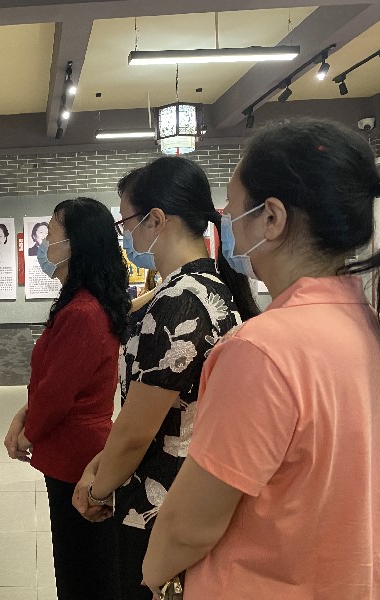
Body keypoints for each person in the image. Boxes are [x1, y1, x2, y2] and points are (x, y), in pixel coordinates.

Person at [143, 119, 380, 599]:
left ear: (271, 218)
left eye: (232, 203)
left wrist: (153, 574)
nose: (225, 217)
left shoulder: (262, 351)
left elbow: (190, 525)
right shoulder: (364, 323)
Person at [71, 156, 260, 600]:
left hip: (159, 503)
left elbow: (138, 431)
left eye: (128, 222)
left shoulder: (179, 302)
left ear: (156, 219)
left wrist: (96, 489)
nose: (127, 237)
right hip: (187, 490)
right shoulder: (209, 287)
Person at [4, 197, 131, 599]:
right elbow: (53, 381)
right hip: (75, 449)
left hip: (76, 455)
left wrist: (26, 434)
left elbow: (58, 395)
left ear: (74, 245)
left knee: (83, 570)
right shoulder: (84, 304)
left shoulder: (82, 311)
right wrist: (23, 415)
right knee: (84, 561)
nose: (43, 244)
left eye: (51, 235)